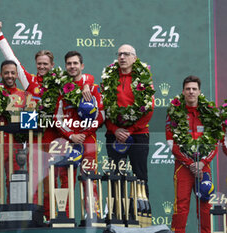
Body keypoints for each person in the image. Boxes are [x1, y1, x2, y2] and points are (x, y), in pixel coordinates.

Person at [0, 21, 94, 220]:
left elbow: (82, 75)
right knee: (38, 177)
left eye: (45, 64)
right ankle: (40, 216)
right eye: (39, 64)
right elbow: (11, 58)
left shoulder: (61, 81)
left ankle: (63, 216)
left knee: (63, 177)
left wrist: (87, 84)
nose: (42, 67)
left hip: (58, 135)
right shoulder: (29, 80)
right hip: (35, 136)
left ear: (52, 65)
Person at [166, 76, 223, 233]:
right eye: (188, 89)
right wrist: (190, 163)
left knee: (205, 205)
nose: (191, 91)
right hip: (183, 167)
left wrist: (202, 163)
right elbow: (172, 144)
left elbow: (215, 142)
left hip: (203, 167)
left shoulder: (209, 113)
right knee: (181, 206)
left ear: (199, 92)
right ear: (183, 92)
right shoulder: (174, 112)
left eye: (194, 89)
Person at [54, 51, 104, 216]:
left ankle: (92, 216)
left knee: (90, 179)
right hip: (68, 141)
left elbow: (101, 115)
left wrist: (85, 132)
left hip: (87, 140)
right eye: (69, 63)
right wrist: (71, 136)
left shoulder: (93, 88)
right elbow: (57, 117)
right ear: (66, 66)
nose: (72, 66)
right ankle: (64, 216)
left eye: (75, 63)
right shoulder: (62, 90)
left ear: (82, 66)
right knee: (65, 180)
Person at [103, 44, 154, 197]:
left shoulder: (144, 78)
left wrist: (129, 131)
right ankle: (117, 216)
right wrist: (115, 129)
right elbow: (103, 108)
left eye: (126, 54)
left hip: (138, 134)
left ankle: (142, 216)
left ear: (135, 58)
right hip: (114, 134)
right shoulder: (109, 77)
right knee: (116, 176)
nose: (122, 57)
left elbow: (149, 109)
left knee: (140, 176)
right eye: (119, 54)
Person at [0, 60, 25, 229]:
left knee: (15, 180)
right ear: (1, 74)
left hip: (16, 144)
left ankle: (13, 215)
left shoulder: (23, 95)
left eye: (12, 73)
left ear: (17, 74)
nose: (9, 76)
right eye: (6, 73)